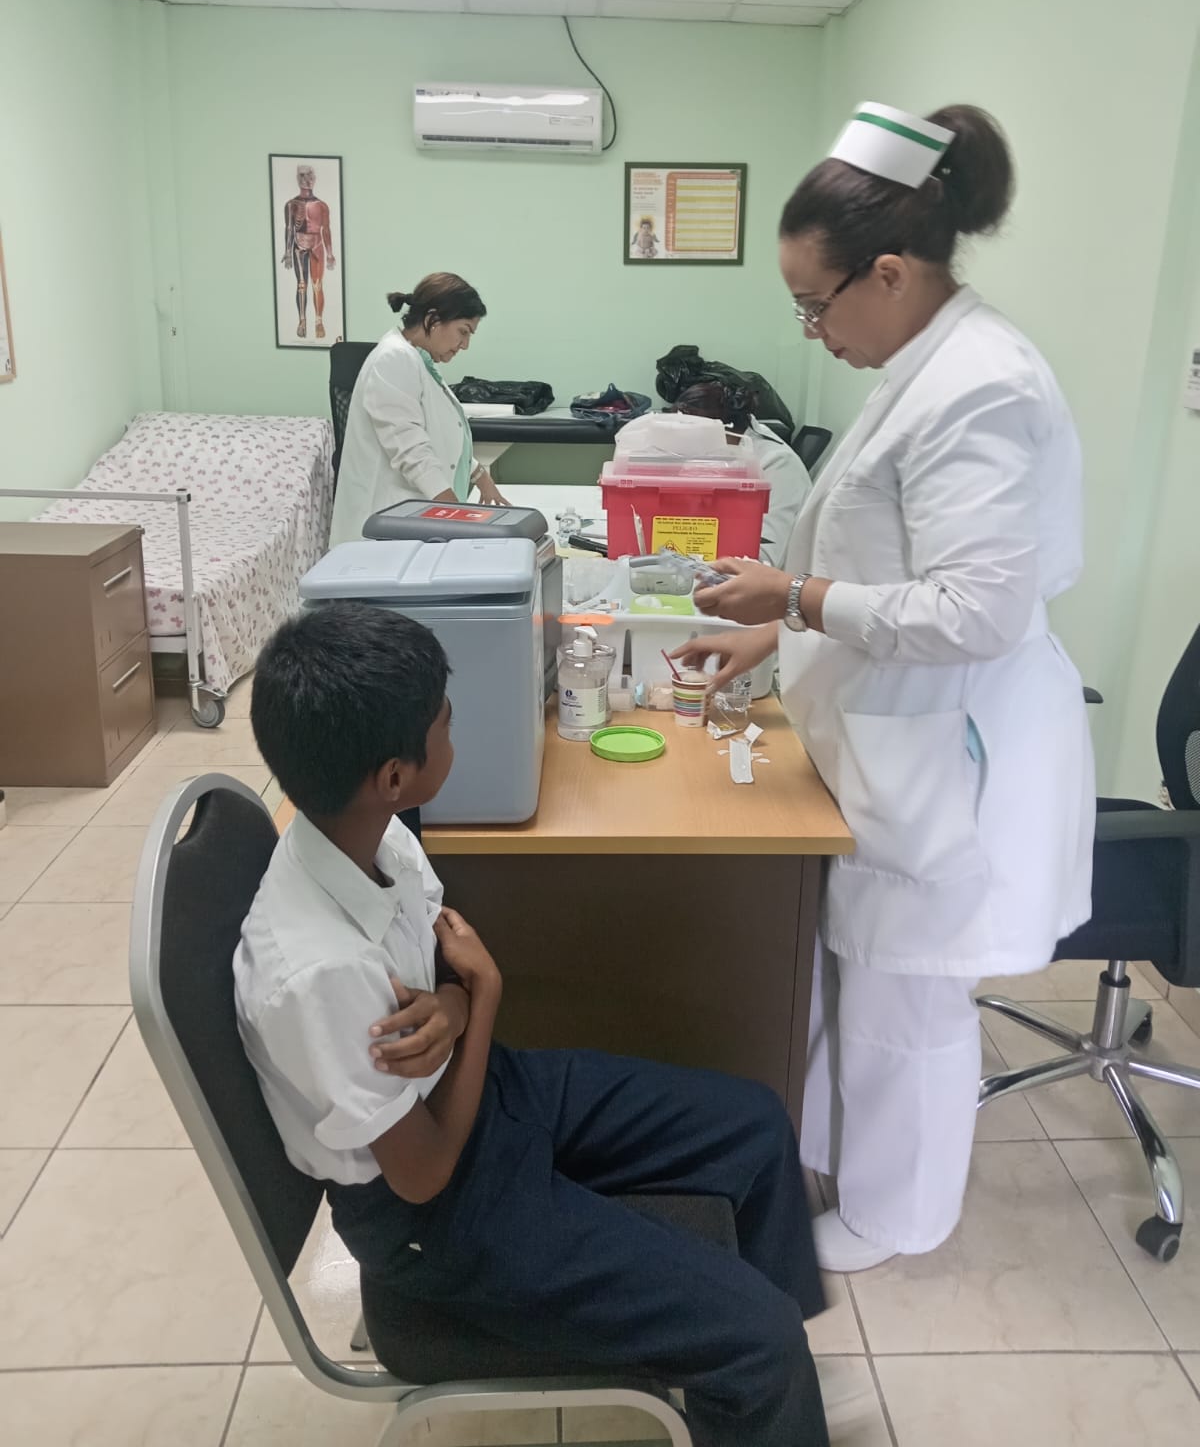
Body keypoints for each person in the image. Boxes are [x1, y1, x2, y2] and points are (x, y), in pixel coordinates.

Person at [233, 601, 834, 1447]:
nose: (456, 729)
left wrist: (453, 1006)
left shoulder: (371, 835)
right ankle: (761, 1365)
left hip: (481, 1098)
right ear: (395, 775)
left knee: (757, 1127)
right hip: (438, 1219)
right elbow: (425, 1174)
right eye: (445, 721)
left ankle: (763, 1392)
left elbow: (439, 969)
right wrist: (482, 999)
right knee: (757, 1337)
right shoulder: (315, 973)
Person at [674, 102, 1096, 1274]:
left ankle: (896, 1217)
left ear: (892, 273)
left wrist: (794, 600)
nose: (811, 331)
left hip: (949, 748)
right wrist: (774, 637)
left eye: (815, 303)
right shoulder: (924, 367)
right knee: (863, 977)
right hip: (892, 731)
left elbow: (975, 611)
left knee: (908, 1000)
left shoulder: (981, 388)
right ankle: (838, 1163)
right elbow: (883, 561)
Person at [329, 273, 508, 549]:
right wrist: (458, 519)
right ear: (433, 319)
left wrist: (479, 476)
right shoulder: (393, 359)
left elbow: (438, 435)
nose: (465, 345)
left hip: (409, 522)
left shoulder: (418, 360)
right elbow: (412, 452)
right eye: (463, 331)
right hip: (382, 531)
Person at [670, 378, 812, 565]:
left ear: (722, 430)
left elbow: (766, 558)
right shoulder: (725, 450)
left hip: (768, 576)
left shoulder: (778, 464)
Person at [281, 164, 336, 341]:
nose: (307, 180)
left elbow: (326, 229)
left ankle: (318, 321)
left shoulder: (322, 205)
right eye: (303, 176)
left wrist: (330, 253)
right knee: (301, 285)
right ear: (298, 178)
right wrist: (287, 252)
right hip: (299, 245)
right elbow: (289, 228)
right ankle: (302, 321)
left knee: (317, 285)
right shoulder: (291, 205)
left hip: (317, 244)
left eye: (310, 176)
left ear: (315, 178)